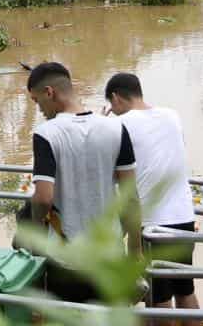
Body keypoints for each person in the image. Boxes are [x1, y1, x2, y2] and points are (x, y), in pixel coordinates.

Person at [27, 62, 141, 302]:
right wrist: (134, 253)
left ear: (49, 92)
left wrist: (35, 236)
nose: (39, 110)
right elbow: (130, 197)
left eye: (37, 102)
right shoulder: (116, 128)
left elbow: (43, 199)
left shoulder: (46, 133)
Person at [104, 73, 200, 314]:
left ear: (115, 98)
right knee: (185, 290)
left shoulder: (120, 124)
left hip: (153, 224)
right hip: (184, 217)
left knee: (159, 300)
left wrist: (102, 125)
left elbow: (112, 173)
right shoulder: (172, 116)